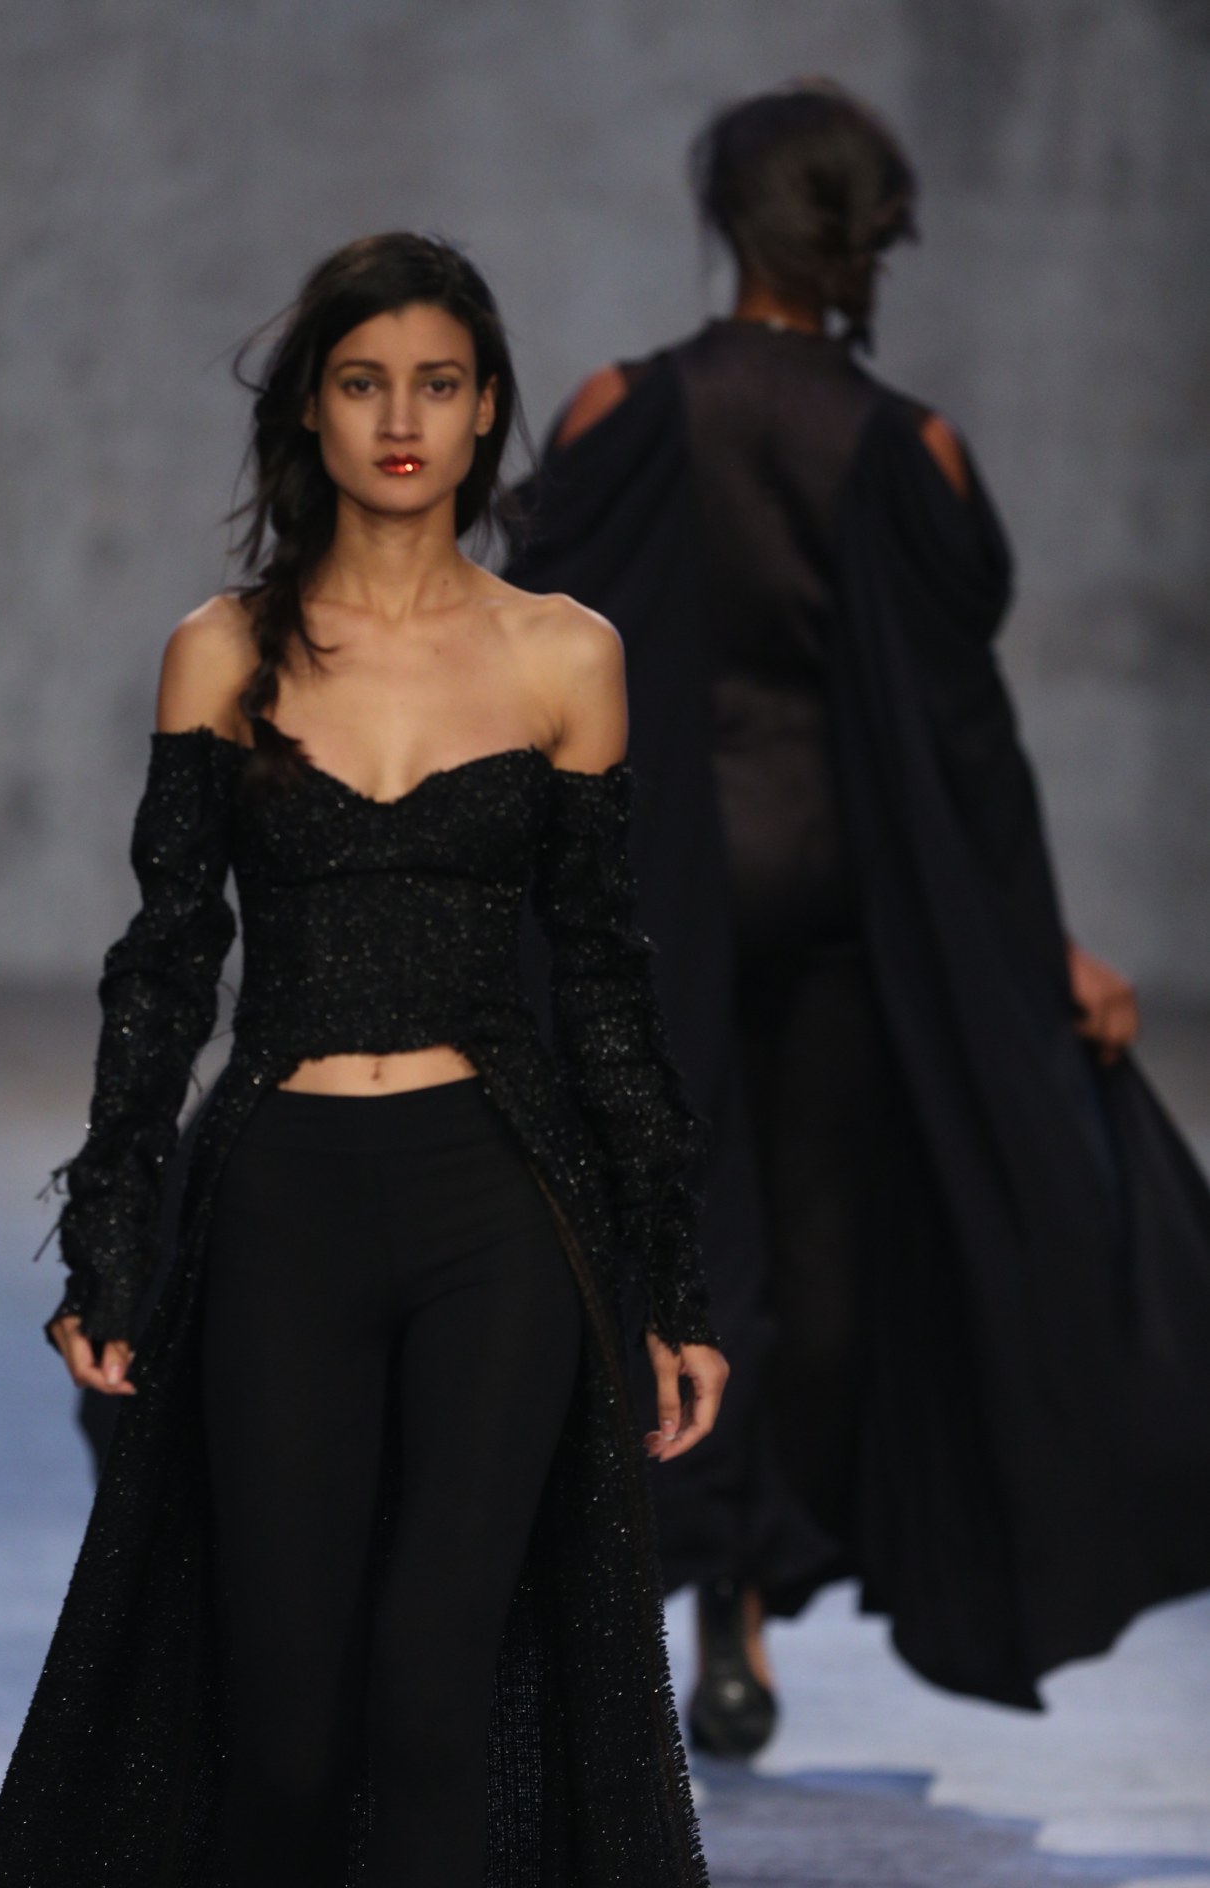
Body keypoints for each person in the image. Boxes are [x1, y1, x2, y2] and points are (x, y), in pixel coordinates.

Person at [0, 233, 805, 1888]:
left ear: (487, 407)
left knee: (432, 1687)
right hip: (281, 1192)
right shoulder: (221, 653)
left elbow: (608, 990)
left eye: (440, 380)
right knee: (284, 1718)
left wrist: (667, 1281)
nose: (401, 417)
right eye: (364, 380)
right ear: (309, 411)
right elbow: (163, 967)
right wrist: (111, 1233)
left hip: (498, 1204)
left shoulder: (565, 655)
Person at [508, 84, 1210, 1754]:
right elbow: (964, 754)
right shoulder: (913, 452)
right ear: (868, 238)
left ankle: (699, 1586)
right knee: (818, 1261)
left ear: (727, 223)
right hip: (848, 902)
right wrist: (1035, 948)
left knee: (667, 1235)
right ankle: (744, 1584)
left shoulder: (623, 411)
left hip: (653, 894)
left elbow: (527, 665)